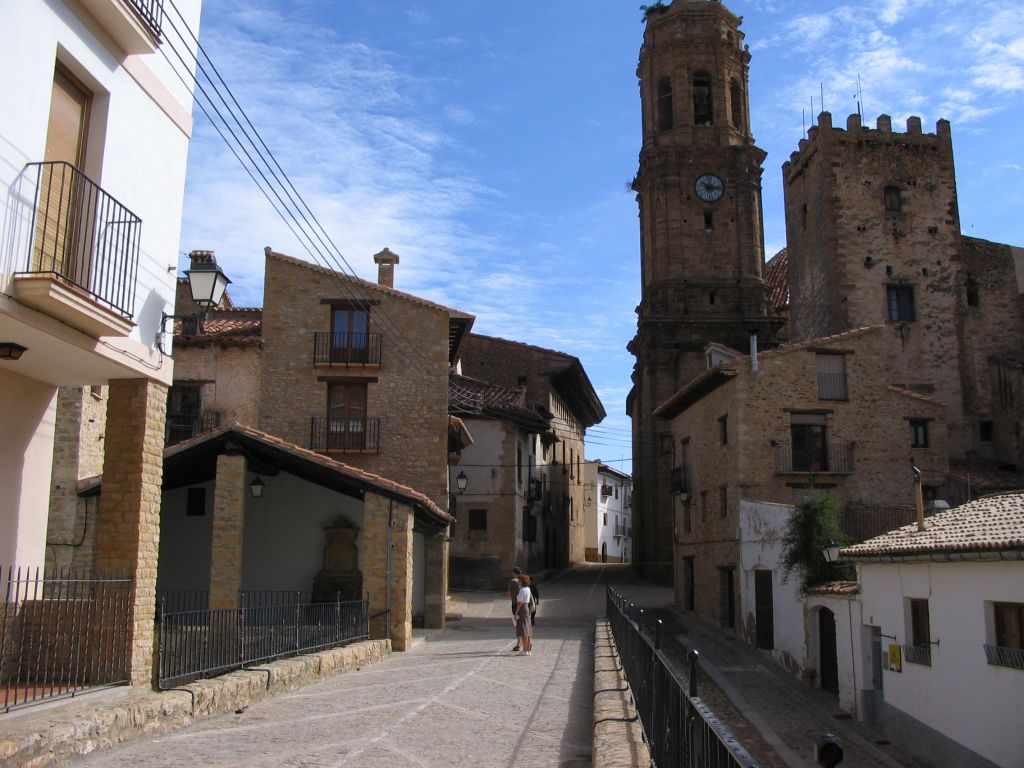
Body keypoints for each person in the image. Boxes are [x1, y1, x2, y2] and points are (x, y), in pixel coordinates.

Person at [515, 573, 533, 656]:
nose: (518, 581)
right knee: (527, 630)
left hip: (522, 609)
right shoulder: (528, 588)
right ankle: (528, 650)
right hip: (527, 608)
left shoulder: (522, 590)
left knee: (524, 631)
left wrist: (516, 612)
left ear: (522, 581)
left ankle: (525, 650)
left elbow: (520, 602)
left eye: (519, 580)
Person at [508, 567, 522, 651]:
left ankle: (518, 644)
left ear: (514, 573)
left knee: (518, 624)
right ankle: (526, 643)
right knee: (524, 624)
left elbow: (509, 593)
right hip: (524, 605)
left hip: (515, 604)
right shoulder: (524, 580)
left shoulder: (512, 581)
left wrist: (513, 599)